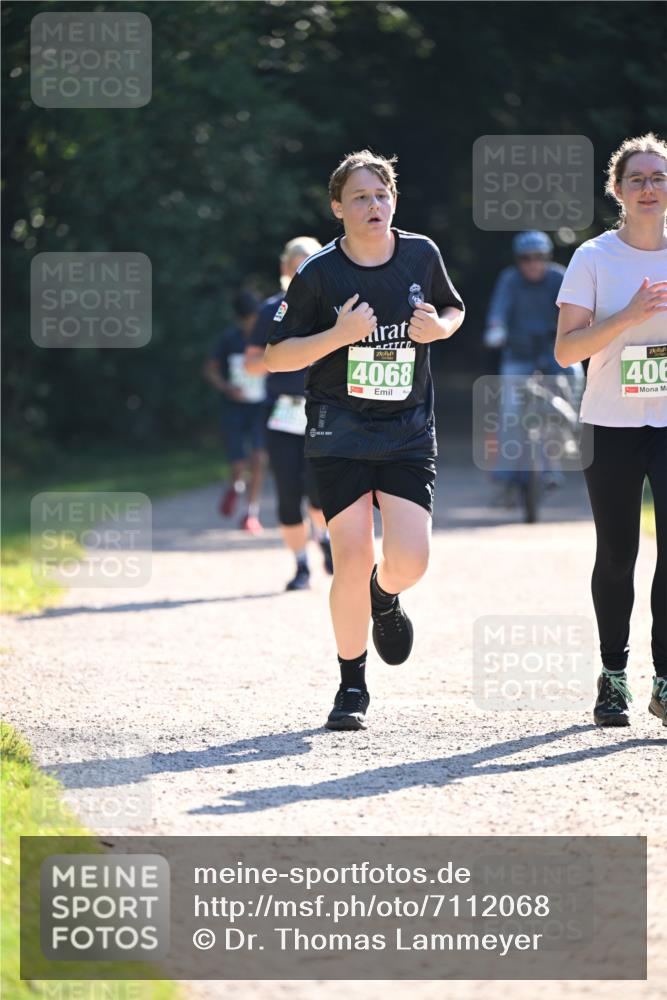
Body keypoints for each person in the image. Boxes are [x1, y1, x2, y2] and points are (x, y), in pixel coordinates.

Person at [264, 150, 465, 730]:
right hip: (339, 430)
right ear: (337, 207)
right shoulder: (319, 273)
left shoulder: (422, 253)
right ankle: (351, 684)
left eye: (381, 195)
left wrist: (439, 327)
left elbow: (452, 309)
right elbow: (277, 358)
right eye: (360, 197)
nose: (373, 205)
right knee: (349, 556)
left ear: (394, 201)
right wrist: (340, 334)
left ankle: (385, 595)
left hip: (406, 429)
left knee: (412, 560)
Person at [555, 132, 667, 728]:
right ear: (617, 190)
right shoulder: (595, 257)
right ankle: (613, 675)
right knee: (618, 552)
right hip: (611, 422)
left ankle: (665, 681)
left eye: (658, 177)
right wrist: (627, 318)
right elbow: (565, 349)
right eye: (637, 179)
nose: (649, 188)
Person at [245, 237, 334, 590]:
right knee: (286, 493)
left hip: (324, 414)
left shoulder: (334, 309)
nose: (302, 272)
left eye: (310, 263)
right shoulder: (270, 311)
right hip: (282, 413)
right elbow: (251, 364)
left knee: (319, 494)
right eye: (296, 265)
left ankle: (324, 535)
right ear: (285, 269)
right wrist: (278, 358)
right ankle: (301, 566)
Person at [484, 231, 584, 505]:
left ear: (547, 257)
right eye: (526, 258)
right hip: (518, 353)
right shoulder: (509, 280)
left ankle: (568, 436)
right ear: (518, 260)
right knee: (510, 411)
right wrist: (496, 328)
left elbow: (576, 309)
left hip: (554, 351)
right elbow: (498, 311)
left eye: (539, 258)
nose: (533, 264)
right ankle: (505, 474)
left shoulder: (559, 277)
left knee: (574, 375)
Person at [203, 290, 267, 535]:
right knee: (239, 464)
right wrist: (228, 388)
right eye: (249, 318)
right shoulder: (229, 340)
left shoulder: (268, 339)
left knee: (259, 459)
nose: (253, 322)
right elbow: (210, 370)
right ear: (241, 319)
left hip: (260, 407)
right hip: (234, 408)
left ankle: (251, 514)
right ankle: (235, 486)